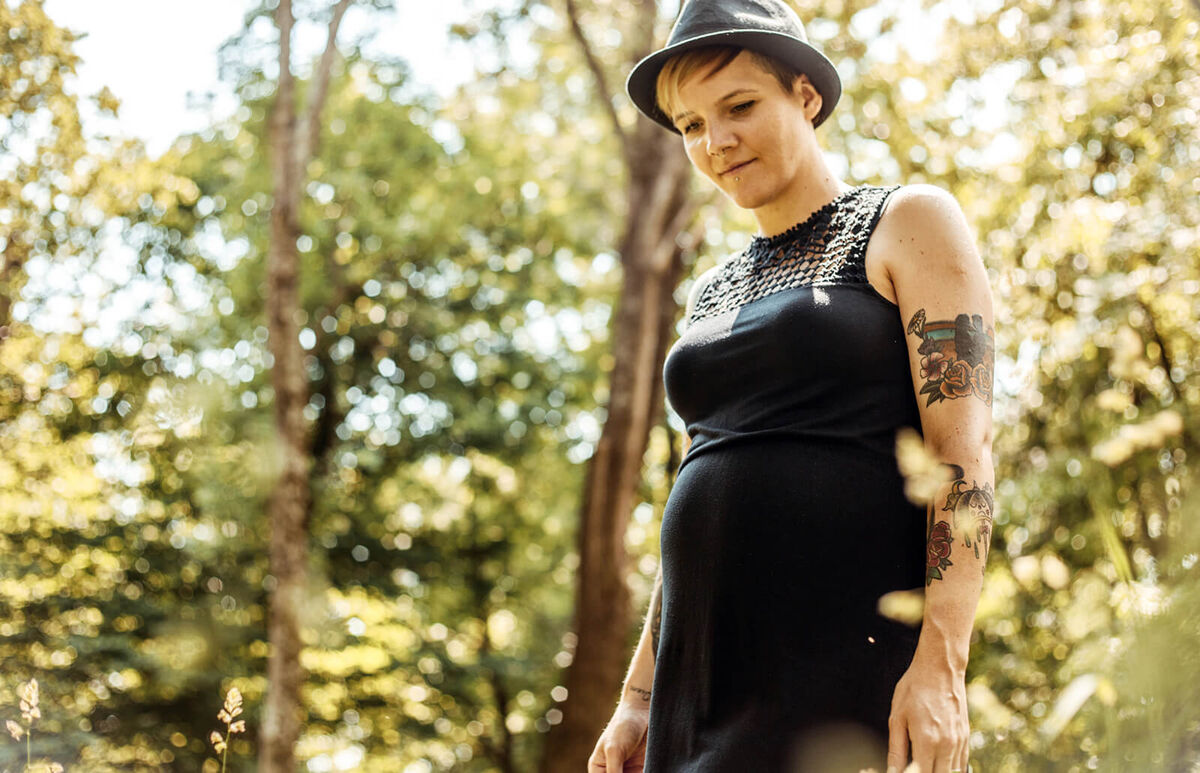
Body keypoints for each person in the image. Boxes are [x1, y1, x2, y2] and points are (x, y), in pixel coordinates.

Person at [588, 0, 995, 771]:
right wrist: (639, 694)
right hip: (695, 691)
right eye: (691, 125)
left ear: (806, 95)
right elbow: (699, 493)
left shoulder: (907, 221)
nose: (716, 141)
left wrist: (943, 663)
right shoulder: (711, 293)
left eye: (739, 106)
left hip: (844, 674)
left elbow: (963, 453)